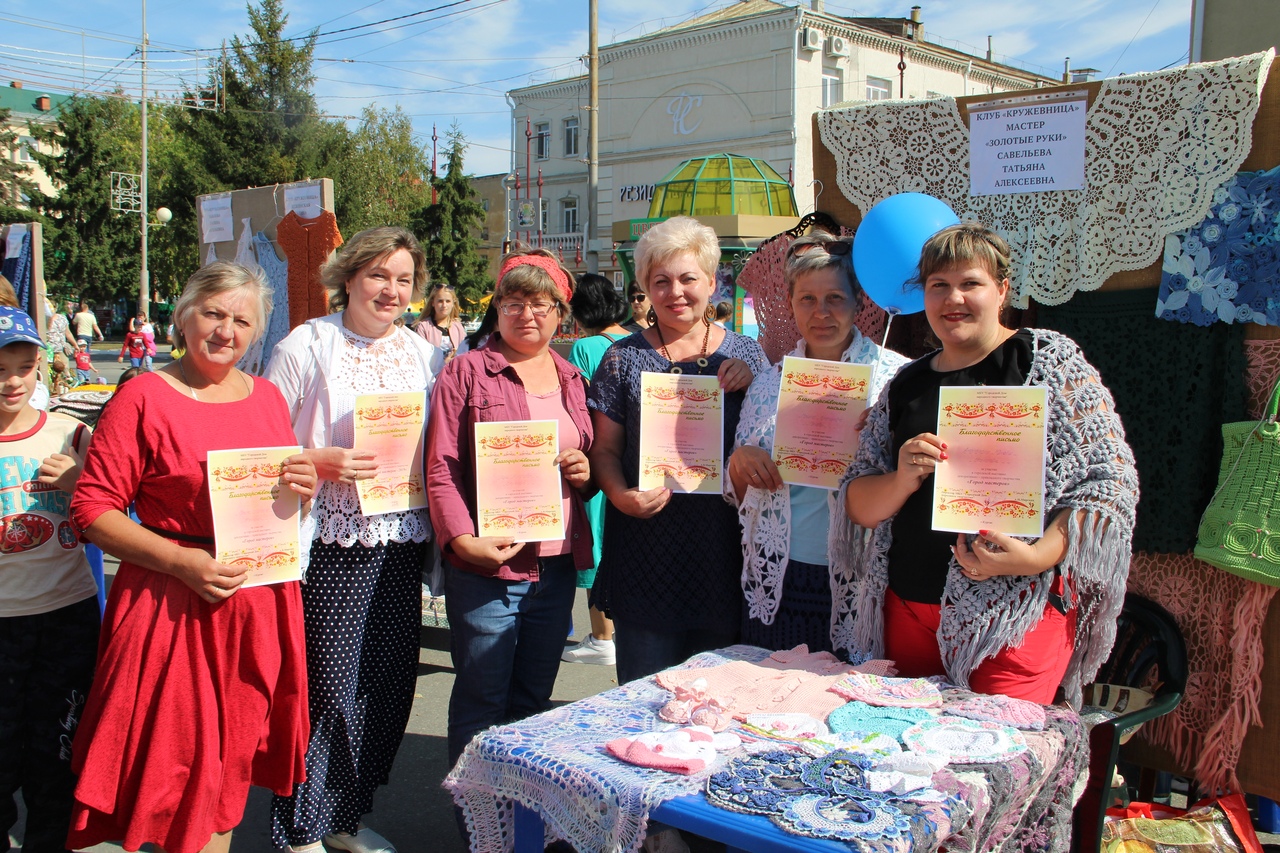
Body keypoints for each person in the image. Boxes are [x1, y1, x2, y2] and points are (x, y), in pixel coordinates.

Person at [66, 261, 317, 853]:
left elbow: (275, 506)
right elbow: (92, 509)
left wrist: (301, 485)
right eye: (214, 313)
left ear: (257, 332)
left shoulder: (269, 398)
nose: (226, 331)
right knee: (173, 770)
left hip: (255, 604)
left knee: (228, 763)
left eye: (241, 320)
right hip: (171, 602)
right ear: (182, 317)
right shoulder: (143, 396)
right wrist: (181, 563)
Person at [841, 223, 1139, 706]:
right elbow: (857, 502)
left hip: (1014, 614)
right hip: (910, 610)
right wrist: (901, 478)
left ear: (1001, 290)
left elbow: (1106, 484)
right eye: (938, 285)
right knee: (913, 763)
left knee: (1004, 763)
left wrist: (1038, 555)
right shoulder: (906, 384)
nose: (953, 298)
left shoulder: (1047, 363)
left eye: (970, 283)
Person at [265, 226, 442, 853]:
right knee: (328, 684)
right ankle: (300, 826)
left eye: (402, 279)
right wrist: (320, 458)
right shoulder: (308, 345)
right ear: (347, 278)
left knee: (386, 684)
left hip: (401, 536)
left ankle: (345, 815)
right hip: (333, 541)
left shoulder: (425, 353)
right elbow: (260, 440)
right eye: (377, 276)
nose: (390, 290)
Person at [426, 246, 595, 769]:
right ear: (497, 307)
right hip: (488, 566)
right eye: (515, 302)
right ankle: (482, 835)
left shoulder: (572, 378)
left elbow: (585, 454)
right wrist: (460, 539)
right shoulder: (467, 372)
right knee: (482, 704)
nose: (528, 314)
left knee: (532, 705)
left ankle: (523, 825)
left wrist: (584, 471)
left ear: (560, 314)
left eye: (542, 304)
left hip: (555, 566)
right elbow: (441, 466)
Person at [588, 216, 768, 684]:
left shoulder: (749, 355)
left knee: (717, 704)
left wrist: (755, 387)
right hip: (647, 552)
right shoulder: (622, 358)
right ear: (646, 287)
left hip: (724, 553)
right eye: (660, 281)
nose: (676, 292)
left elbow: (771, 442)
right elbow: (604, 451)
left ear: (711, 282)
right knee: (642, 707)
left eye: (688, 278)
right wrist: (620, 495)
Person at [727, 235, 908, 655]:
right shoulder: (770, 383)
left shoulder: (894, 379)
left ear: (859, 303)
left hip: (862, 576)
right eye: (807, 299)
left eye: (834, 298)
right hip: (779, 575)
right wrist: (740, 464)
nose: (821, 312)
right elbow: (737, 495)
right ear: (790, 303)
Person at [0, 306, 99, 853]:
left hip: (65, 620)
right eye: (0, 369)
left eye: (24, 366)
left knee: (55, 759)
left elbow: (113, 512)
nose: (13, 381)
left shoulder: (71, 435)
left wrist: (83, 480)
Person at [560, 272, 629, 667]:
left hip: (596, 460)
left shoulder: (585, 347)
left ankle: (602, 634)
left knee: (595, 546)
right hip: (630, 460)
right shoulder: (636, 340)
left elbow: (579, 411)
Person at [415, 283, 466, 361]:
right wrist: (443, 364)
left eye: (448, 301)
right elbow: (420, 358)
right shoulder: (423, 327)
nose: (444, 305)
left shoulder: (458, 327)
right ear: (433, 303)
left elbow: (465, 353)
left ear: (453, 303)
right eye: (440, 301)